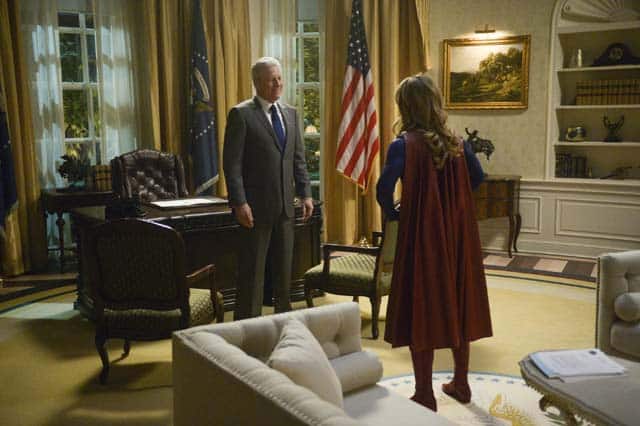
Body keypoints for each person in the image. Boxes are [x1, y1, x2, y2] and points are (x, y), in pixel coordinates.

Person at [376, 73, 493, 412]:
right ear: (434, 102)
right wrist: (452, 201)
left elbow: (384, 189)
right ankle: (461, 383)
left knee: (422, 305)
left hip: (421, 237)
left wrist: (395, 213)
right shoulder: (459, 143)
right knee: (459, 299)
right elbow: (478, 177)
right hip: (457, 235)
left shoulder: (403, 145)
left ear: (405, 106)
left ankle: (425, 393)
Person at [223, 57, 313, 320]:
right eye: (272, 79)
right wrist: (239, 203)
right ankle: (246, 330)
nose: (278, 83)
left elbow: (298, 159)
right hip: (255, 210)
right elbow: (232, 165)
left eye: (280, 78)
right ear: (257, 83)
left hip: (286, 209)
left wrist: (306, 194)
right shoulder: (241, 115)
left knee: (284, 276)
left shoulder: (290, 114)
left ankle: (283, 326)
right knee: (252, 276)